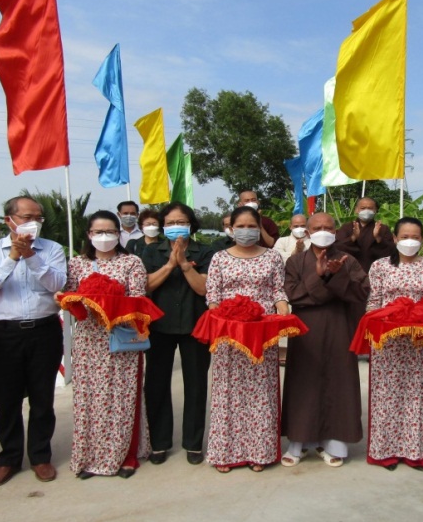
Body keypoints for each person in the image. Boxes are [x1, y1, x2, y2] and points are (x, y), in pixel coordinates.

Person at [0, 196, 67, 487]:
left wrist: (31, 256)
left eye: (38, 218)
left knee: (43, 398)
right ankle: (8, 459)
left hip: (44, 330)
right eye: (27, 217)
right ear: (10, 220)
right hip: (6, 333)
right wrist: (13, 257)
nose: (34, 223)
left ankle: (40, 456)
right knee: (7, 399)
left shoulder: (51, 249)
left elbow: (57, 284)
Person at [63, 211, 151, 478]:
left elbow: (137, 298)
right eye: (98, 232)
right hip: (88, 340)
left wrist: (108, 302)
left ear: (118, 233)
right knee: (89, 400)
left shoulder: (131, 262)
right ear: (89, 235)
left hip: (121, 337)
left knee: (122, 398)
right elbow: (68, 295)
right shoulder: (76, 264)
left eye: (110, 231)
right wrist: (78, 300)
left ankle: (126, 455)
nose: (104, 237)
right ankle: (89, 457)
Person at [204, 206, 289, 472]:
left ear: (259, 227)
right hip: (229, 335)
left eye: (250, 226)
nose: (245, 231)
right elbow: (212, 296)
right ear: (230, 229)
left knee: (261, 392)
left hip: (261, 334)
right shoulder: (219, 257)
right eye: (239, 226)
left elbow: (278, 290)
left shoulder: (273, 257)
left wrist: (282, 306)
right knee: (227, 392)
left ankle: (259, 453)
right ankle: (226, 454)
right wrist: (222, 318)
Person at [281, 213, 368, 467]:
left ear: (335, 231)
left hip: (340, 326)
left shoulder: (347, 259)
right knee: (303, 384)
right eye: (317, 227)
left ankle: (335, 443)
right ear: (308, 231)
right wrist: (320, 276)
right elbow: (294, 295)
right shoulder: (296, 261)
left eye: (328, 227)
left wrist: (335, 275)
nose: (323, 231)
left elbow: (361, 291)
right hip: (306, 330)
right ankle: (299, 442)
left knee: (338, 382)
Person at [365, 217, 423, 471]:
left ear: (422, 239)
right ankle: (384, 451)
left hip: (419, 341)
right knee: (385, 395)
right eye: (405, 236)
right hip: (387, 341)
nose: (411, 241)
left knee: (415, 395)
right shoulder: (380, 266)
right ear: (395, 239)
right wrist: (376, 330)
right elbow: (373, 304)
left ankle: (414, 452)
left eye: (416, 237)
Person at [141, 202, 214, 466]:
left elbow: (204, 289)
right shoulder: (150, 251)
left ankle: (193, 443)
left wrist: (184, 263)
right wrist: (170, 264)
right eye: (170, 223)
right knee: (157, 384)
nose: (176, 227)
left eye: (180, 222)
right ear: (162, 226)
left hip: (195, 326)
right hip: (159, 327)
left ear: (191, 224)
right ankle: (159, 443)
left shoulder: (205, 251)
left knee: (196, 385)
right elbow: (145, 285)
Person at [334, 196, 394, 274]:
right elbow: (337, 247)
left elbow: (391, 251)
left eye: (370, 208)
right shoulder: (347, 227)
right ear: (356, 210)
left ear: (375, 210)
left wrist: (378, 237)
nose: (366, 211)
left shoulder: (383, 229)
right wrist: (353, 237)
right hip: (351, 272)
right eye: (363, 208)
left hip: (376, 273)